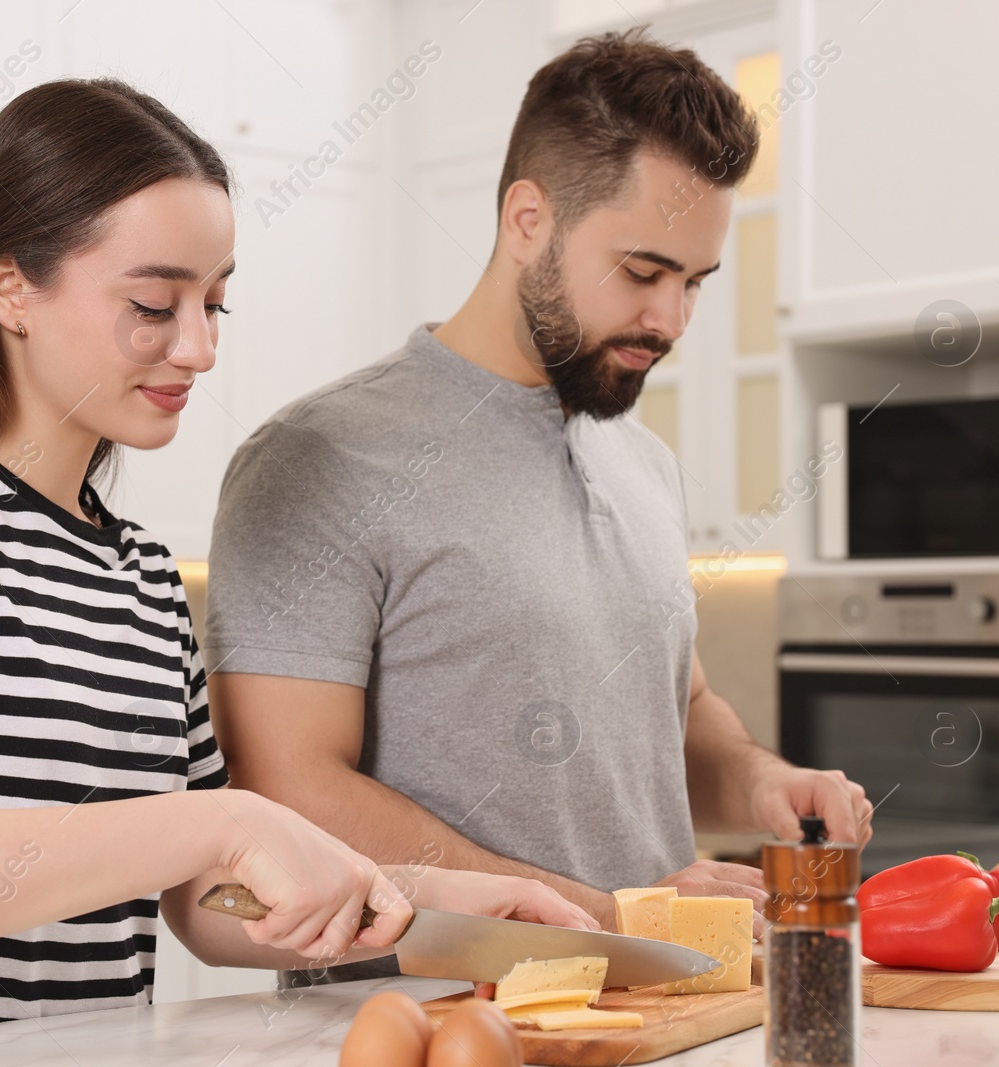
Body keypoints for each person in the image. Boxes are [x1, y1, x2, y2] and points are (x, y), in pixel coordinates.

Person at [0, 78, 596, 1047]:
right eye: (154, 303)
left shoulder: (143, 577)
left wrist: (441, 900)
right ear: (9, 285)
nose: (196, 347)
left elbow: (204, 897)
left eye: (215, 304)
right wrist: (220, 822)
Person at [203, 30, 874, 983]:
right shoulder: (318, 460)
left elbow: (676, 711)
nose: (671, 321)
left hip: (657, 1019)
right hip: (416, 1029)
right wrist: (612, 920)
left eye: (694, 283)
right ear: (527, 219)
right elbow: (288, 786)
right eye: (643, 273)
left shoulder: (643, 461)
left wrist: (763, 779)